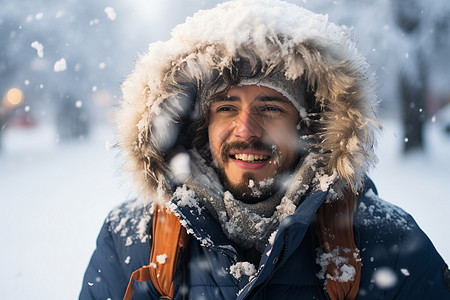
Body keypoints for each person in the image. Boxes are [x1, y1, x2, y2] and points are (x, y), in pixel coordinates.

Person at [80, 1, 450, 299]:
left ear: (308, 124)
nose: (246, 130)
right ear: (201, 126)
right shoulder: (131, 239)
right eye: (226, 107)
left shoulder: (390, 242)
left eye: (271, 107)